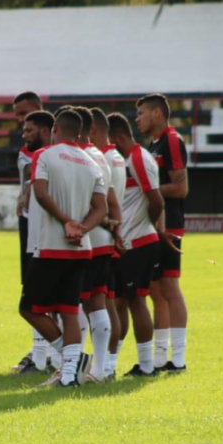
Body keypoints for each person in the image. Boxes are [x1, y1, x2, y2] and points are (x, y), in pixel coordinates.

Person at [18, 109, 107, 388]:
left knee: (29, 308)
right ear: (80, 132)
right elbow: (101, 208)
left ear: (55, 127)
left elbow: (41, 194)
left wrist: (66, 222)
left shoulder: (45, 155)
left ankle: (72, 360)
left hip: (51, 246)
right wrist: (81, 228)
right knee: (69, 310)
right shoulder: (90, 162)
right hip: (81, 249)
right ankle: (69, 377)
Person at [108, 112, 164, 377]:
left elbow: (156, 200)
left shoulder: (139, 159)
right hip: (128, 242)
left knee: (136, 301)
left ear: (118, 137)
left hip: (138, 242)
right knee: (119, 303)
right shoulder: (130, 159)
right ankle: (108, 365)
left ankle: (146, 365)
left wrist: (146, 225)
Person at [137, 93, 189, 373]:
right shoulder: (154, 144)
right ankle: (159, 358)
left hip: (171, 224)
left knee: (169, 288)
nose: (138, 119)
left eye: (141, 113)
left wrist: (147, 191)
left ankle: (178, 358)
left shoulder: (171, 140)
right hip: (155, 222)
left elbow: (181, 188)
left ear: (157, 113)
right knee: (156, 290)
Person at [75, 108, 123, 382]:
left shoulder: (83, 157)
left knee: (79, 303)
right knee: (101, 302)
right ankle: (102, 368)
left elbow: (93, 204)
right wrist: (117, 232)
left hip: (87, 238)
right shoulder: (102, 158)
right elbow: (113, 202)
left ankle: (77, 366)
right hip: (105, 240)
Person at [11, 92, 49, 374]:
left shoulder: (51, 148)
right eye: (17, 116)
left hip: (48, 224)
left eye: (24, 114)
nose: (19, 120)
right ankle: (40, 350)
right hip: (29, 222)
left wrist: (26, 193)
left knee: (43, 289)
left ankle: (44, 353)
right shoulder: (27, 147)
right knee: (31, 286)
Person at [90, 108, 127, 379]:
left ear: (92, 130)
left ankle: (105, 366)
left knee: (103, 303)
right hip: (113, 236)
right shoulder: (117, 158)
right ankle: (108, 365)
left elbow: (105, 202)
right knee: (110, 302)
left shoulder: (100, 159)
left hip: (102, 236)